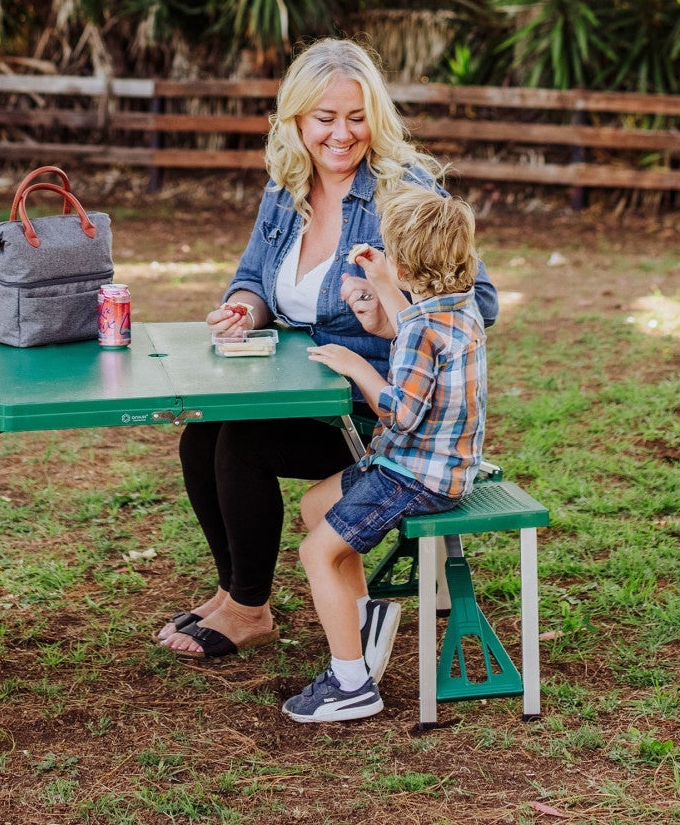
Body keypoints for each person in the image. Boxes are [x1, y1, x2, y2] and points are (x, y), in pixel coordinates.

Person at [156, 38, 499, 663]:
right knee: (201, 434)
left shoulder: (405, 193)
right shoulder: (286, 184)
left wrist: (390, 309)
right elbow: (255, 278)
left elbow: (479, 300)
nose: (342, 135)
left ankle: (250, 609)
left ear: (378, 115)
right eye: (325, 118)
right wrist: (244, 310)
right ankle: (236, 590)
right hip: (298, 387)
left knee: (244, 442)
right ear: (296, 120)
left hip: (381, 412)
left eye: (356, 116)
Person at [281, 186, 486, 722]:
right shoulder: (456, 308)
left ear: (406, 263)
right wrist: (382, 283)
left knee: (315, 552)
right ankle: (363, 626)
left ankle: (351, 685)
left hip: (416, 475)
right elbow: (411, 324)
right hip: (430, 466)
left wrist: (358, 367)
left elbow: (400, 412)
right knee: (314, 506)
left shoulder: (421, 329)